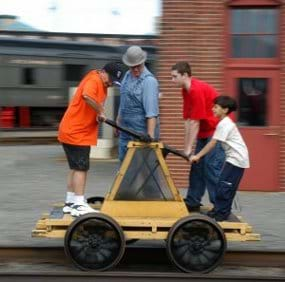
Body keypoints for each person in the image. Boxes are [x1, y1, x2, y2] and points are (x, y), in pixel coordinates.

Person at [58, 62, 123, 217]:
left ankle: (70, 202)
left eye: (114, 81)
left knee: (75, 167)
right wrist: (100, 110)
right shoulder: (94, 80)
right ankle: (79, 204)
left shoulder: (103, 84)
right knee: (81, 168)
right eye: (110, 78)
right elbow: (87, 96)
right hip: (76, 132)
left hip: (73, 130)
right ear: (103, 72)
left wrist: (97, 115)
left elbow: (91, 103)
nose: (111, 82)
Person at [171, 61, 225, 211]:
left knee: (210, 167)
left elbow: (194, 122)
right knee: (197, 166)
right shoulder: (185, 90)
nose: (172, 80)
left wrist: (189, 149)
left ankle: (220, 207)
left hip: (216, 131)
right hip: (205, 132)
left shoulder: (196, 90)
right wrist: (186, 148)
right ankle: (193, 201)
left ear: (185, 75)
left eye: (175, 77)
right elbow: (188, 121)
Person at [190, 96, 250, 221]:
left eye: (216, 107)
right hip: (234, 158)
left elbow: (212, 143)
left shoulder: (225, 124)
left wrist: (198, 156)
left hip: (237, 159)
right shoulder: (223, 123)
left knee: (225, 186)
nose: (213, 109)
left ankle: (221, 214)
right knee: (224, 185)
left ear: (225, 109)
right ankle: (219, 211)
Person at [117, 45, 160, 162]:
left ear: (143, 62)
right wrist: (118, 121)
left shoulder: (149, 81)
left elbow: (151, 113)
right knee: (124, 170)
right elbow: (123, 101)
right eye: (132, 67)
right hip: (125, 132)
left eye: (138, 66)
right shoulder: (127, 76)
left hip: (141, 135)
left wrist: (150, 137)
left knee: (140, 170)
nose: (135, 69)